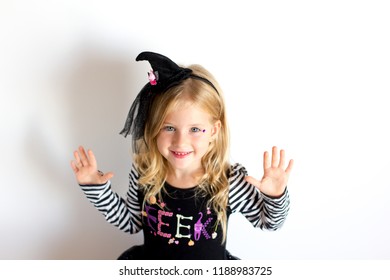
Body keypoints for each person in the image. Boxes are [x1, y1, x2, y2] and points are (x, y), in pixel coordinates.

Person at [70, 51, 294, 260]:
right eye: (169, 128)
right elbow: (130, 223)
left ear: (214, 131)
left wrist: (275, 196)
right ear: (154, 127)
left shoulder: (228, 180)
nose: (180, 141)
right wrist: (96, 189)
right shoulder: (145, 173)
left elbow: (269, 223)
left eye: (195, 129)